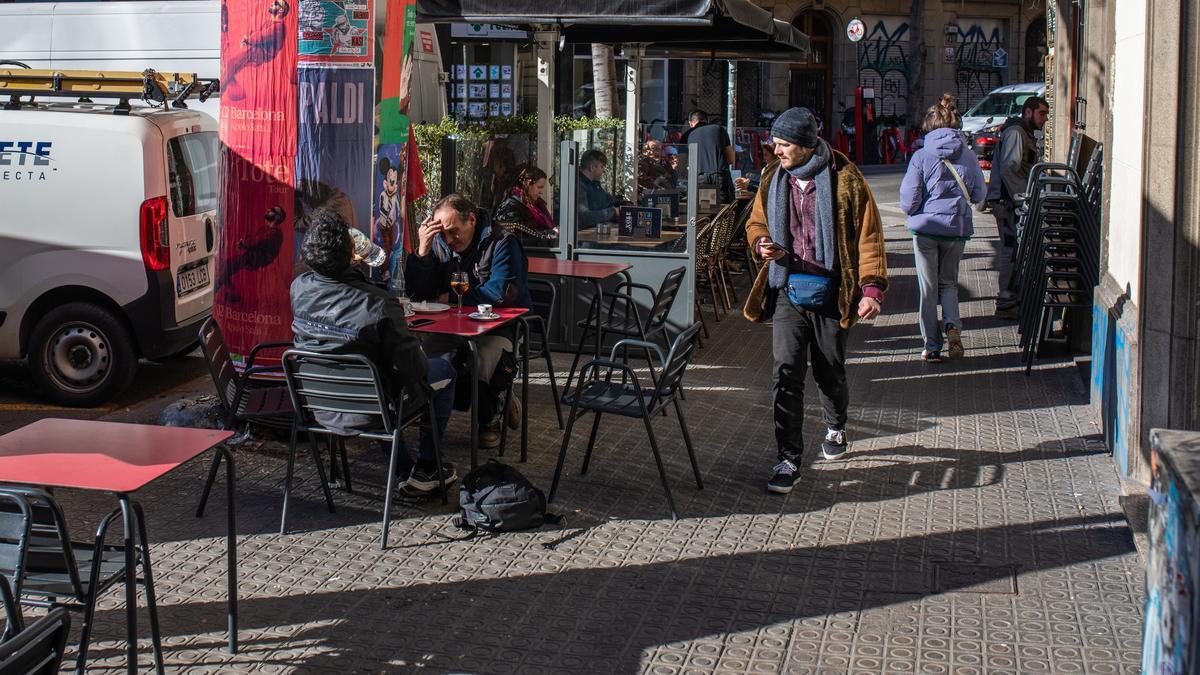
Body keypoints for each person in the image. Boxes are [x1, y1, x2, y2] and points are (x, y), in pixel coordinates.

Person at [744, 107, 888, 494]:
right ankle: (788, 458)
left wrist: (871, 289)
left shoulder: (846, 179)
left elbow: (869, 236)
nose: (776, 151)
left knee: (829, 370)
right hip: (789, 289)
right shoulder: (773, 179)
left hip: (831, 291)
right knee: (786, 371)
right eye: (774, 143)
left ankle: (836, 426)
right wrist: (761, 244)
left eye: (784, 144)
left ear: (807, 145)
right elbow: (756, 221)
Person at [289, 207, 457, 493]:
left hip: (317, 407)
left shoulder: (299, 289)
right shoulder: (378, 303)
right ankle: (428, 467)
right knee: (442, 370)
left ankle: (404, 467)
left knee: (377, 375)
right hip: (372, 409)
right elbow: (413, 369)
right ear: (350, 253)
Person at [406, 193, 532, 449]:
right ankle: (430, 413)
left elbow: (500, 292)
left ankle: (490, 416)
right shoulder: (439, 244)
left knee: (482, 360)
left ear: (472, 220)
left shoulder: (502, 242)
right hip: (451, 327)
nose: (449, 240)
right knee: (423, 360)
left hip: (498, 326)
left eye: (454, 232)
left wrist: (449, 296)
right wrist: (423, 252)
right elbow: (420, 295)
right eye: (443, 234)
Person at [900, 98, 987, 363]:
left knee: (928, 289)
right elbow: (980, 194)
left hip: (927, 232)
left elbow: (908, 201)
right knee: (948, 283)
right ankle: (953, 327)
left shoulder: (921, 156)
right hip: (956, 232)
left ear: (929, 127)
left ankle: (932, 346)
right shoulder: (969, 155)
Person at [987, 95, 1048, 319]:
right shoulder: (1016, 132)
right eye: (1042, 113)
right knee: (1010, 251)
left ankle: (1010, 299)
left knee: (1012, 251)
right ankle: (1006, 301)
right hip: (1008, 203)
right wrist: (1024, 199)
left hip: (1010, 201)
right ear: (1029, 112)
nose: (1044, 119)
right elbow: (1010, 169)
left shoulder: (1022, 132)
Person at [681, 109, 736, 202]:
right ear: (707, 120)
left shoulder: (687, 135)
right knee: (725, 211)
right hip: (720, 176)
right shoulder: (719, 129)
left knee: (705, 210)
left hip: (699, 178)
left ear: (690, 123)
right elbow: (731, 159)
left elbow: (681, 164)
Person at [493, 165, 557, 237]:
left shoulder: (536, 205)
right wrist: (551, 233)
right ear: (527, 184)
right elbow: (523, 234)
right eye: (539, 187)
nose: (541, 192)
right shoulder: (511, 206)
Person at [577, 149, 620, 229]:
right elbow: (584, 217)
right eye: (602, 166)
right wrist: (613, 212)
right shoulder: (578, 186)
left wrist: (623, 205)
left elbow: (608, 200)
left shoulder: (595, 184)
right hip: (582, 237)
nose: (604, 170)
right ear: (592, 167)